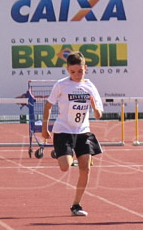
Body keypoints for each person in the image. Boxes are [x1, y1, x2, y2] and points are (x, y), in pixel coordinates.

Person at [41, 52, 104, 216]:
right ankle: (60, 151)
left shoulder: (90, 86)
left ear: (86, 69)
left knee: (85, 169)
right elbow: (48, 106)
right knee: (65, 167)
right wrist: (44, 128)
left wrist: (95, 108)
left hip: (83, 132)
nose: (76, 75)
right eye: (73, 72)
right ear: (67, 69)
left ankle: (76, 204)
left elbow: (98, 115)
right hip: (63, 131)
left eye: (80, 71)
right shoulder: (61, 85)